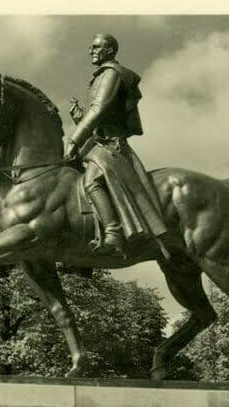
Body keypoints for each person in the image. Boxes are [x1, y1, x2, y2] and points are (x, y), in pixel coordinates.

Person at [64, 33, 168, 257]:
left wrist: (74, 139)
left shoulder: (112, 74)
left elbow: (98, 110)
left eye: (96, 47)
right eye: (90, 47)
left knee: (91, 182)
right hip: (101, 144)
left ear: (110, 50)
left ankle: (114, 234)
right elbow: (102, 118)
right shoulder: (102, 75)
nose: (90, 51)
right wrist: (79, 118)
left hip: (112, 148)